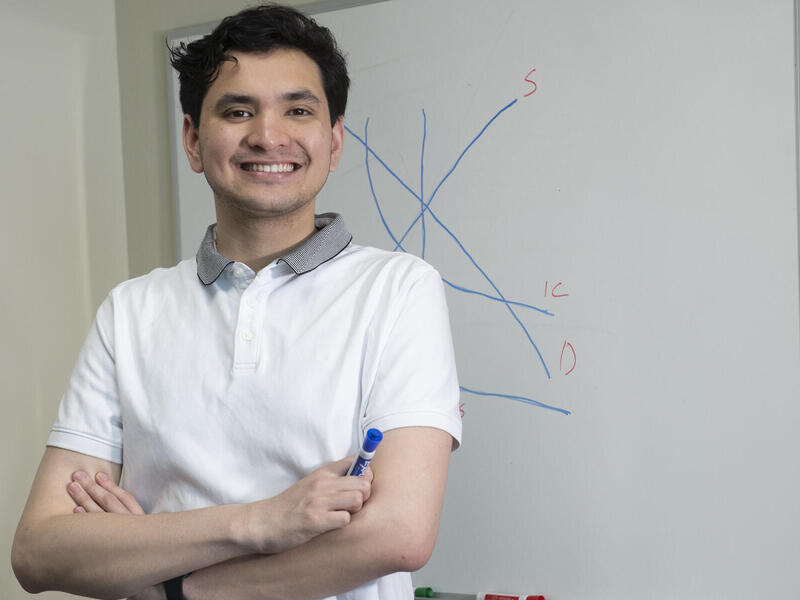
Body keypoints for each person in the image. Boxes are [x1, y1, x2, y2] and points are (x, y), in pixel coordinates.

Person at [11, 5, 461, 600]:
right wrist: (261, 522)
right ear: (194, 141)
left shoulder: (400, 288)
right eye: (238, 110)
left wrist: (174, 587)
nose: (268, 136)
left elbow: (397, 535)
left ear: (333, 141)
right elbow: (40, 551)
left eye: (297, 110)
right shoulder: (131, 311)